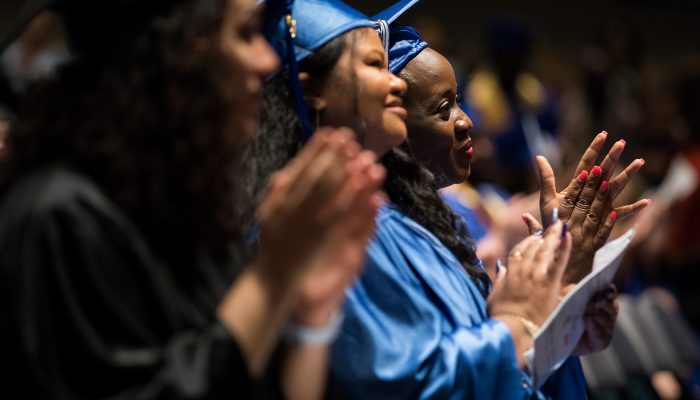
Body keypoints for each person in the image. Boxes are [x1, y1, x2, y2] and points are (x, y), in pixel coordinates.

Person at [0, 0, 385, 399]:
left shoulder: (190, 208)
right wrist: (271, 279)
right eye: (245, 34)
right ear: (176, 51)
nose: (267, 60)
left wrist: (311, 317)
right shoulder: (57, 217)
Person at [330, 22, 649, 399]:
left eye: (458, 101)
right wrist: (520, 320)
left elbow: (501, 346)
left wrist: (564, 321)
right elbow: (426, 380)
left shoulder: (434, 221)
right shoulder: (369, 238)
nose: (466, 121)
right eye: (443, 108)